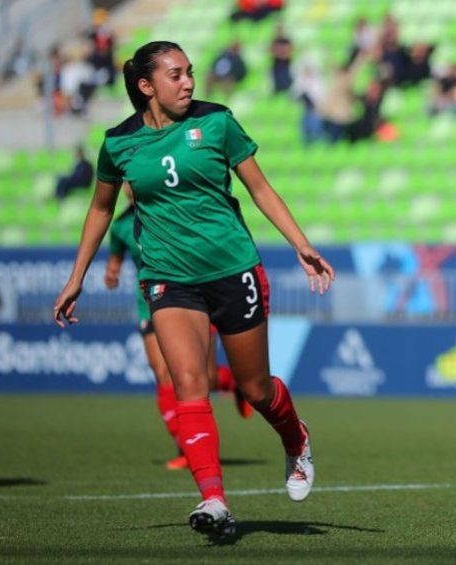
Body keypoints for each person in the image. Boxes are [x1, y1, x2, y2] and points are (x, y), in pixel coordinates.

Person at [53, 41, 335, 539]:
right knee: (188, 382)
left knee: (255, 388)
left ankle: (296, 438)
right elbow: (100, 210)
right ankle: (214, 499)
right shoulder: (118, 143)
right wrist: (77, 277)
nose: (188, 83)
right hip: (168, 277)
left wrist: (301, 244)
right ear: (146, 86)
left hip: (232, 269)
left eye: (190, 73)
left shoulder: (218, 121)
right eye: (176, 75)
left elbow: (260, 188)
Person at [104, 193, 253, 471]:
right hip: (150, 304)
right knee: (163, 373)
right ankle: (185, 445)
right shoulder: (121, 226)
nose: (130, 187)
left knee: (202, 378)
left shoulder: (171, 210)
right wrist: (111, 273)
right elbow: (114, 262)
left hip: (191, 299)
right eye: (125, 181)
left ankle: (235, 383)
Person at [269, 24, 294, 94]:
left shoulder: (287, 40)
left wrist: (281, 52)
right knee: (278, 83)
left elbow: (290, 51)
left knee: (286, 83)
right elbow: (272, 51)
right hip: (277, 65)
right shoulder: (275, 41)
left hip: (285, 65)